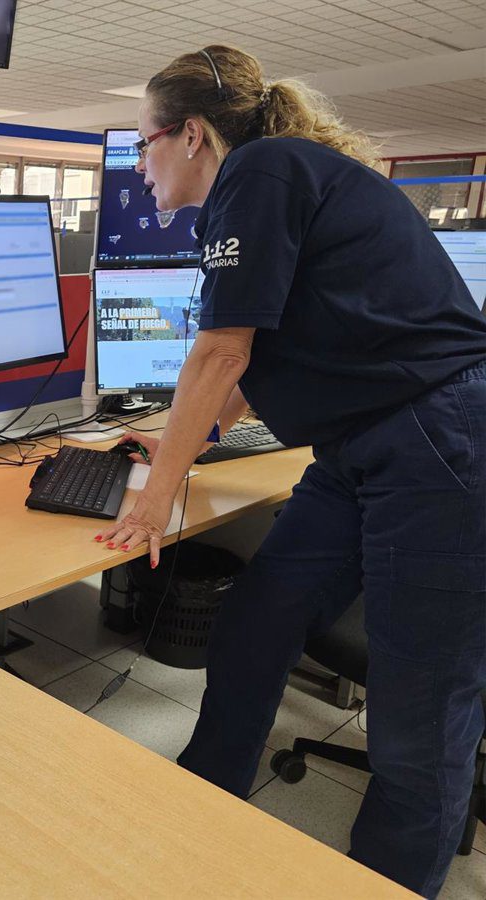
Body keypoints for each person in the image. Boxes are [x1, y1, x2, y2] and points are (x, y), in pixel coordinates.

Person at [97, 45, 486, 897]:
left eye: (143, 143)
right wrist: (184, 444)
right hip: (362, 447)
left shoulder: (262, 168)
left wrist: (155, 501)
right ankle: (204, 801)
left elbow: (221, 351)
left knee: (417, 722)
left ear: (191, 135)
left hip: (439, 440)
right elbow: (252, 353)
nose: (139, 167)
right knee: (257, 619)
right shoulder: (265, 185)